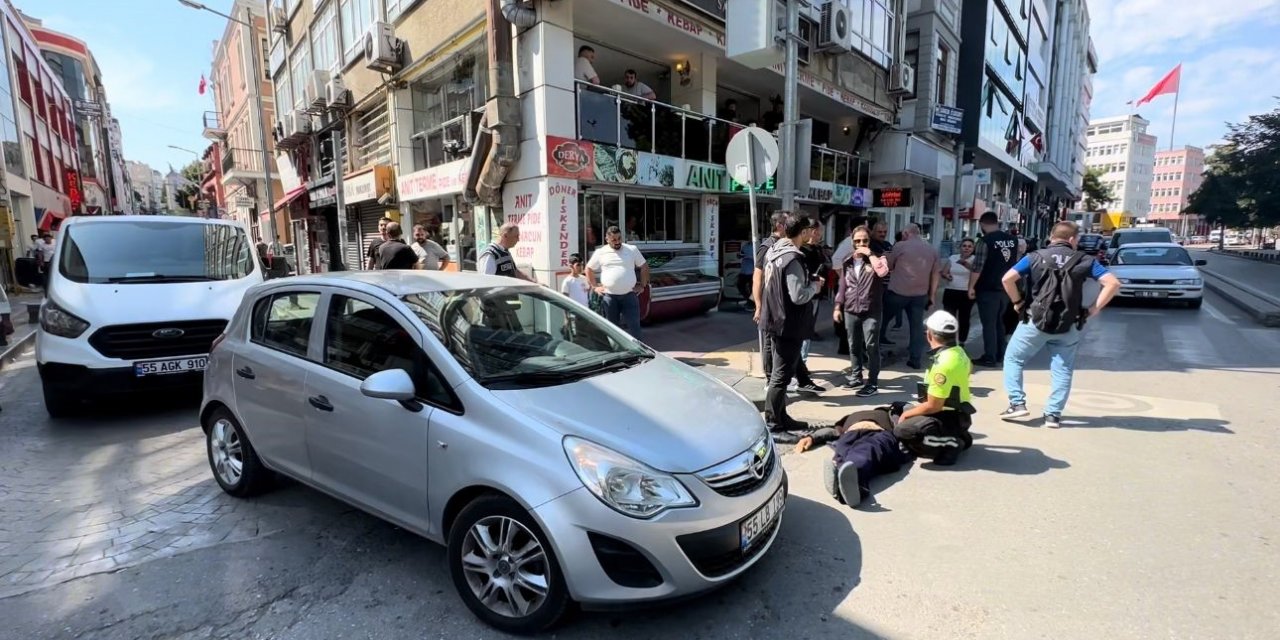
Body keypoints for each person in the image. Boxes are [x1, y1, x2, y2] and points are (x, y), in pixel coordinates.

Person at [1000, 221, 1121, 428]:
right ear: (1073, 239)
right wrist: (1092, 309)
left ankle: (1017, 404)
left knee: (1014, 359)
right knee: (1062, 370)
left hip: (1034, 321)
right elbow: (1113, 283)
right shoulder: (1085, 260)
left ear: (1051, 237)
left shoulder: (1034, 257)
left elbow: (1007, 279)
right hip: (1068, 323)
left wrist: (1018, 302)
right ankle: (1053, 415)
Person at [759, 214, 823, 439]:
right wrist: (814, 287)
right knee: (780, 376)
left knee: (780, 374)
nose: (812, 234)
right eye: (809, 231)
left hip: (775, 320)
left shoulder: (774, 252)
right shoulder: (792, 257)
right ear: (803, 232)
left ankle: (781, 416)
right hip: (788, 323)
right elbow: (797, 296)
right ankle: (774, 424)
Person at [893, 311, 975, 465]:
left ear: (929, 335)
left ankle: (950, 444)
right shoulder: (958, 352)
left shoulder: (943, 364)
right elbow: (970, 368)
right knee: (900, 407)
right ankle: (961, 436)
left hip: (946, 416)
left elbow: (934, 406)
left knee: (903, 430)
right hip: (960, 414)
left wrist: (907, 415)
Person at [795, 407, 909, 507]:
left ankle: (850, 481)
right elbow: (833, 431)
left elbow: (907, 411)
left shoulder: (889, 413)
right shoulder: (848, 418)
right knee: (842, 450)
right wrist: (812, 437)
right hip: (850, 434)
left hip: (878, 432)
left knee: (866, 449)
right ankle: (850, 485)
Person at [833, 225, 889, 396]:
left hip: (871, 309)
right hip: (851, 308)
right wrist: (837, 306)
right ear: (852, 242)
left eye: (864, 240)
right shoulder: (847, 261)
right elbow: (842, 286)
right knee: (853, 345)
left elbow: (882, 272)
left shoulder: (879, 258)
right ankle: (856, 376)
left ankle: (872, 383)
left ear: (869, 241)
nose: (861, 243)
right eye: (857, 241)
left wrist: (870, 254)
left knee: (871, 345)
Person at [883, 224, 939, 369]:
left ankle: (874, 348)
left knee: (882, 319)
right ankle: (915, 358)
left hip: (897, 292)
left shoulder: (900, 246)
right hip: (920, 294)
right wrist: (932, 296)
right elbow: (935, 274)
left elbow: (889, 266)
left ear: (906, 233)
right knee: (916, 327)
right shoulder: (932, 249)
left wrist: (887, 256)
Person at [968, 212, 1020, 367]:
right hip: (1005, 288)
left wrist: (971, 286)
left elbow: (978, 266)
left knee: (989, 324)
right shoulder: (1012, 240)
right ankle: (1001, 354)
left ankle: (989, 356)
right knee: (999, 322)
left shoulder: (984, 241)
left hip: (988, 288)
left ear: (982, 224)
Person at [586, 226, 649, 339]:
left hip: (629, 296)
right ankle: (617, 353)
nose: (617, 242)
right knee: (612, 329)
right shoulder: (601, 252)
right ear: (607, 239)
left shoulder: (631, 249)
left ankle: (640, 352)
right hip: (610, 298)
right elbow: (589, 269)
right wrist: (594, 286)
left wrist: (643, 285)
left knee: (635, 328)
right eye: (614, 240)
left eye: (619, 238)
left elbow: (644, 266)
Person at [753, 212, 789, 383]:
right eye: (788, 223)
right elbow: (757, 277)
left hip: (781, 302)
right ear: (780, 226)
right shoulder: (767, 247)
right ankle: (770, 379)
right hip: (770, 302)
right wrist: (759, 306)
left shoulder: (784, 245)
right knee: (769, 343)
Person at [940, 238, 978, 346]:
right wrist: (947, 276)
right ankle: (948, 341)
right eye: (964, 246)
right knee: (949, 318)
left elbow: (978, 273)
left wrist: (967, 265)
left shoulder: (975, 260)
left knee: (964, 318)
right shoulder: (953, 258)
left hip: (966, 292)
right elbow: (944, 272)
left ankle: (962, 341)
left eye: (969, 246)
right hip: (951, 291)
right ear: (960, 247)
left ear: (973, 248)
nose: (966, 248)